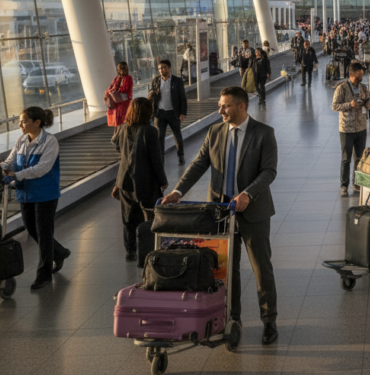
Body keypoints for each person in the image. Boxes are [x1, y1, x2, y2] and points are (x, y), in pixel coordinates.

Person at [162, 86, 280, 345]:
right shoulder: (215, 131)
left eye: (225, 106)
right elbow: (199, 164)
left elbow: (269, 171)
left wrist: (247, 194)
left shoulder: (263, 133)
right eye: (220, 105)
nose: (220, 111)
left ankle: (269, 320)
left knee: (262, 269)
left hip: (253, 212)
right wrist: (178, 191)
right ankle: (232, 319)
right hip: (220, 212)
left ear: (241, 106)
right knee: (227, 270)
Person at [0, 106, 71, 289]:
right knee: (32, 229)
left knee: (44, 233)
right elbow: (11, 159)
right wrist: (4, 167)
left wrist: (16, 175)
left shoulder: (50, 142)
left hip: (45, 194)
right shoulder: (22, 140)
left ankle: (44, 275)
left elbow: (43, 168)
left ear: (37, 122)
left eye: (24, 121)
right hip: (25, 193)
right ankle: (59, 252)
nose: (20, 125)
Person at [112, 97, 167, 263]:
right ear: (147, 112)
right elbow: (156, 159)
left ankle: (130, 250)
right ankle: (148, 249)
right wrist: (162, 180)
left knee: (128, 217)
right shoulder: (150, 131)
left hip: (124, 182)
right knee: (149, 217)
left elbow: (118, 148)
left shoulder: (122, 128)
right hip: (145, 182)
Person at [333, 62, 370, 197]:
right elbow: (335, 106)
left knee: (360, 157)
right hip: (346, 128)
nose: (361, 77)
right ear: (352, 74)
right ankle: (344, 185)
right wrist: (349, 105)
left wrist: (368, 104)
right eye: (359, 75)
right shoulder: (342, 88)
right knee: (346, 158)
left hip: (361, 127)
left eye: (362, 75)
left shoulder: (363, 87)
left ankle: (357, 183)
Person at [149, 59, 188, 165]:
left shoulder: (177, 81)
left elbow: (183, 97)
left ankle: (181, 156)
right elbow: (152, 93)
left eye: (163, 68)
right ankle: (160, 159)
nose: (161, 70)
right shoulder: (156, 80)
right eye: (159, 68)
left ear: (169, 68)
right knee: (159, 137)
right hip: (160, 113)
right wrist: (151, 95)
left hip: (173, 113)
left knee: (177, 135)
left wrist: (183, 112)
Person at [106, 61, 133, 130]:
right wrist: (113, 92)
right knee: (120, 121)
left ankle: (120, 134)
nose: (122, 70)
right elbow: (111, 89)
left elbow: (124, 89)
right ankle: (120, 134)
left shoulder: (127, 78)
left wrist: (113, 92)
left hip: (123, 103)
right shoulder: (118, 78)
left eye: (123, 68)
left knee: (122, 121)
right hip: (119, 103)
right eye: (120, 68)